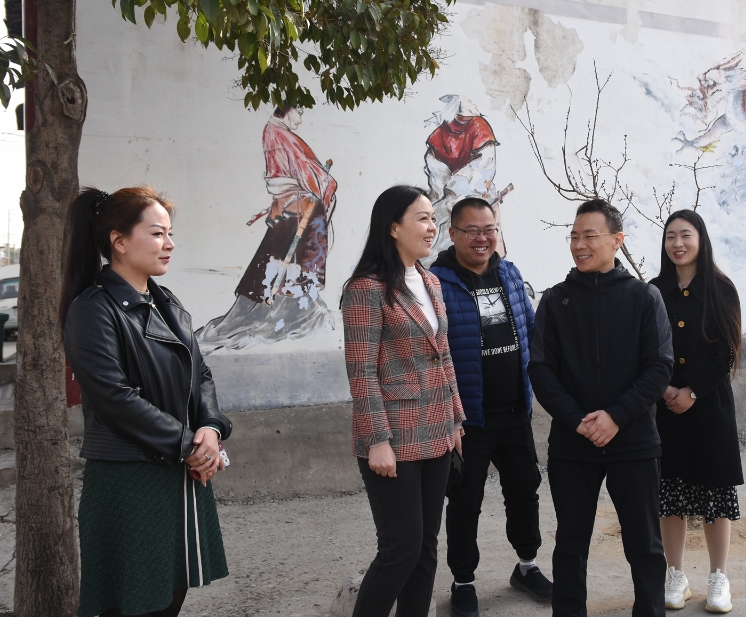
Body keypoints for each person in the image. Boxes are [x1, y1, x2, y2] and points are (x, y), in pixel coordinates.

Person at [61, 187, 232, 617]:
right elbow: (113, 397)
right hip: (129, 478)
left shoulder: (166, 303)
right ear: (119, 241)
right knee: (134, 604)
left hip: (179, 471)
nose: (169, 244)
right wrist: (190, 445)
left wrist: (210, 428)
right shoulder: (93, 309)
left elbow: (200, 374)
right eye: (157, 233)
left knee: (171, 596)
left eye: (170, 233)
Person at [529, 199, 674, 617]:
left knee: (645, 545)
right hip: (573, 444)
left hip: (633, 441)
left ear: (617, 240)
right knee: (570, 544)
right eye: (574, 236)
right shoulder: (556, 301)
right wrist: (578, 419)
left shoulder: (644, 297)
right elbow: (540, 368)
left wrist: (616, 416)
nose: (579, 245)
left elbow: (659, 366)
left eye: (589, 236)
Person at [342, 185, 466, 617]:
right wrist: (377, 440)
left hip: (437, 431)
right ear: (393, 227)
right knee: (401, 549)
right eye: (422, 218)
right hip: (393, 437)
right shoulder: (366, 288)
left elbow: (443, 354)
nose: (432, 227)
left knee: (426, 547)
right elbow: (361, 371)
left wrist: (456, 420)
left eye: (433, 218)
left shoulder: (430, 281)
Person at [429, 198, 551, 617]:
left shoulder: (509, 273)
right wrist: (448, 415)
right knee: (465, 501)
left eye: (489, 229)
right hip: (468, 420)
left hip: (515, 411)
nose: (482, 238)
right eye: (472, 231)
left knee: (524, 492)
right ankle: (463, 581)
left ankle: (527, 566)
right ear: (453, 234)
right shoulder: (437, 283)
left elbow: (530, 330)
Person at [649, 210, 743, 613]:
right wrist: (666, 388)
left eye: (685, 235)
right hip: (664, 407)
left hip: (709, 407)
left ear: (701, 240)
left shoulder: (721, 289)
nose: (678, 244)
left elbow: (728, 350)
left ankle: (718, 577)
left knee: (714, 493)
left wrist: (692, 389)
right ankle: (676, 575)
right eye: (670, 236)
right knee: (670, 494)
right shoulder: (654, 290)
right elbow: (646, 348)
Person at [197, 105, 338, 351]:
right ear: (288, 110)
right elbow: (307, 173)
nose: (300, 119)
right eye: (298, 112)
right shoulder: (280, 134)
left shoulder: (274, 131)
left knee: (279, 260)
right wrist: (325, 183)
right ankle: (289, 312)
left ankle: (287, 306)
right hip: (297, 208)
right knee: (290, 262)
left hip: (291, 207)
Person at [422, 95, 504, 264]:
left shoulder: (479, 128)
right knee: (437, 219)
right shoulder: (442, 132)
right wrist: (443, 190)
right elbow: (435, 166)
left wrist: (457, 188)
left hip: (473, 194)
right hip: (444, 193)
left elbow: (483, 165)